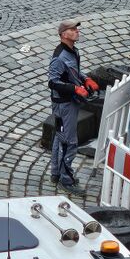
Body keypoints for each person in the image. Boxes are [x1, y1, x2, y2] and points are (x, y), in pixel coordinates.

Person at [48, 19, 99, 194]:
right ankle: (66, 179)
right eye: (72, 29)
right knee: (69, 142)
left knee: (59, 137)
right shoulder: (59, 57)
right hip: (64, 105)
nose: (77, 30)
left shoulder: (73, 51)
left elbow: (74, 71)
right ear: (63, 35)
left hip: (70, 102)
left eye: (77, 28)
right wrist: (75, 88)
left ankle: (56, 172)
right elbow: (53, 82)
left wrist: (85, 79)